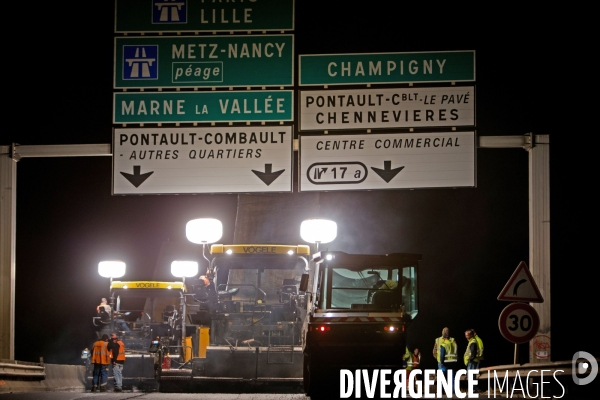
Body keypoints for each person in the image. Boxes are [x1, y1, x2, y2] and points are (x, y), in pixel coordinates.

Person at [433, 327, 458, 393]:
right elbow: (456, 351)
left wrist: (438, 359)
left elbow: (434, 351)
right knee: (451, 377)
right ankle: (453, 390)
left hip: (441, 362)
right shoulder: (452, 340)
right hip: (451, 362)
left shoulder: (438, 340)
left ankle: (441, 391)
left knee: (441, 377)